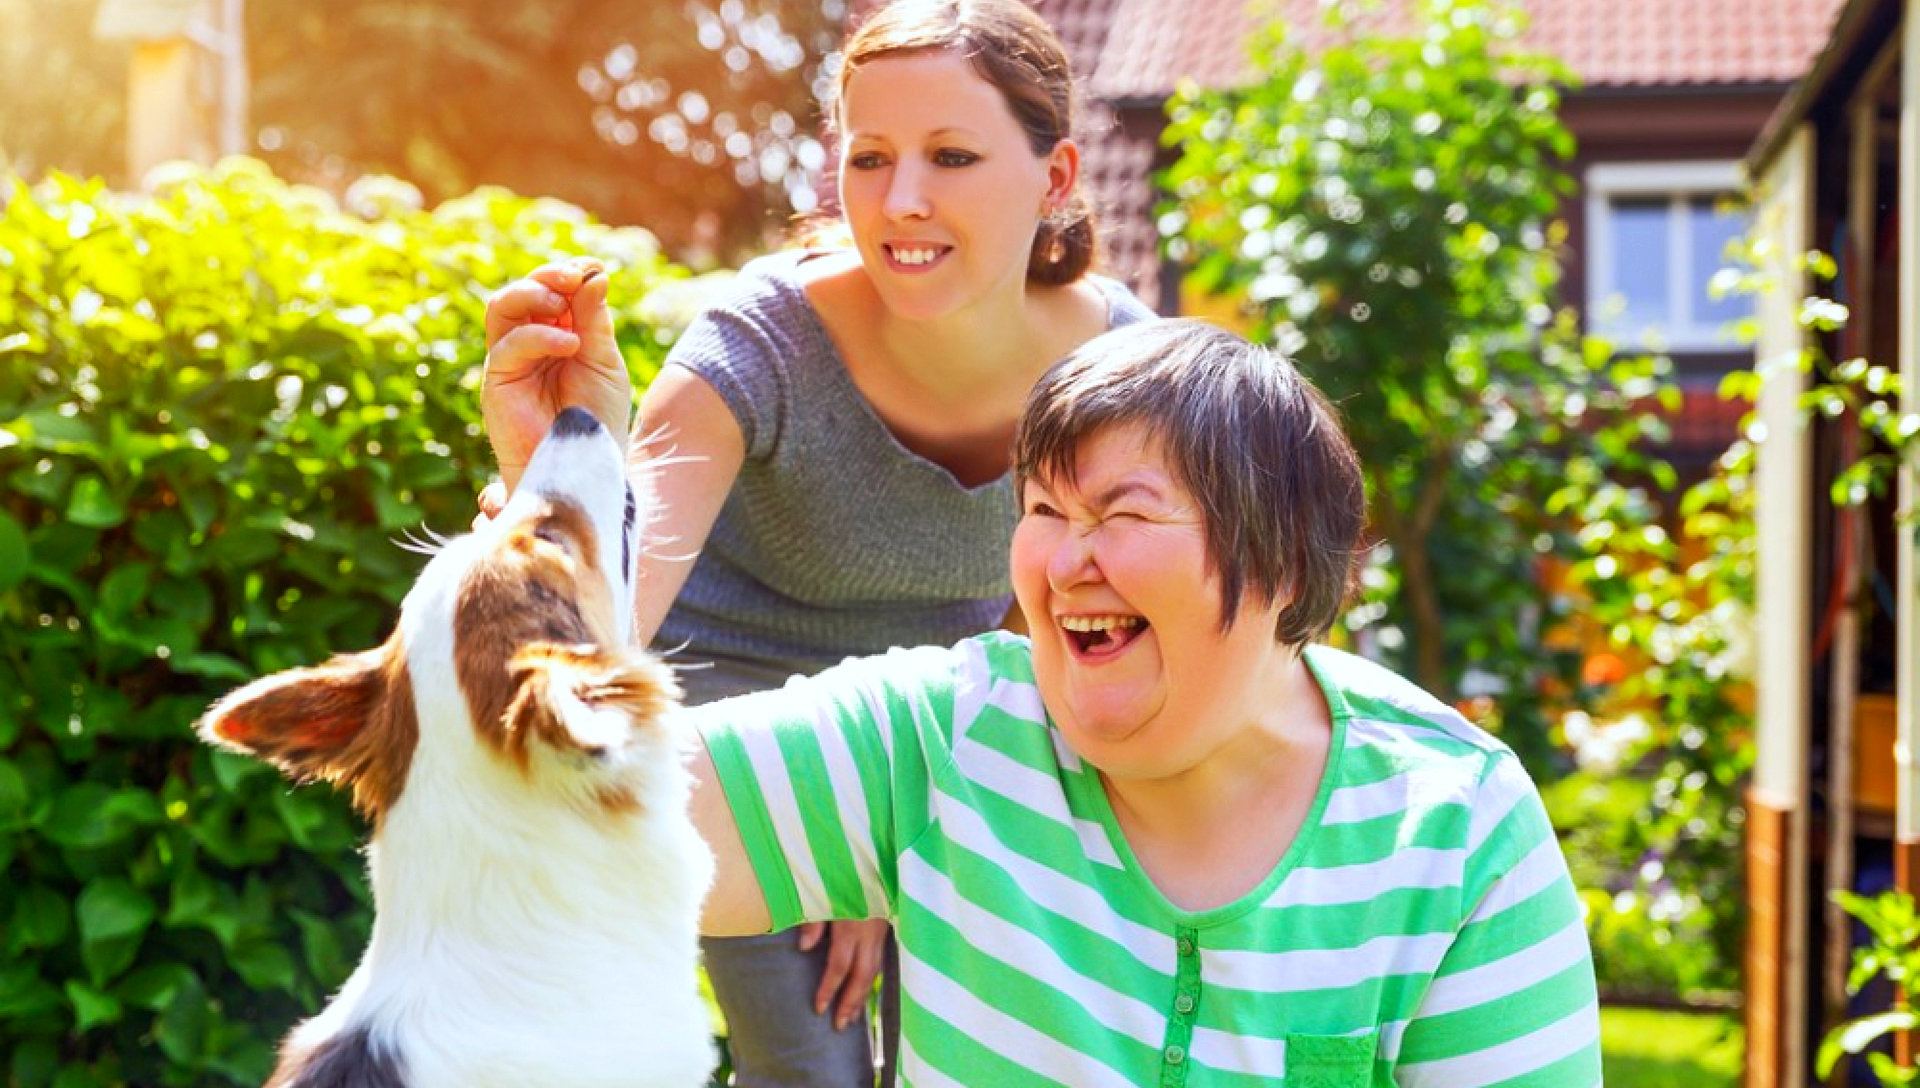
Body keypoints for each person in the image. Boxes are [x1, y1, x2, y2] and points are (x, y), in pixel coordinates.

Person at [477, 0, 1154, 1082]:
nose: (903, 201)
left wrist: (908, 820)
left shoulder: (1118, 367)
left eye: (953, 155)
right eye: (869, 157)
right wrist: (551, 470)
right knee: (817, 1064)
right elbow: (613, 608)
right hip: (728, 707)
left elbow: (1074, 618)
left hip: (949, 715)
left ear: (1059, 176)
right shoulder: (759, 341)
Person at [686, 319, 1605, 1087]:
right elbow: (586, 810)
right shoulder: (945, 736)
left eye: (1123, 515)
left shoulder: (1457, 831)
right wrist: (550, 488)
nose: (1064, 562)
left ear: (1282, 561)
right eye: (1044, 512)